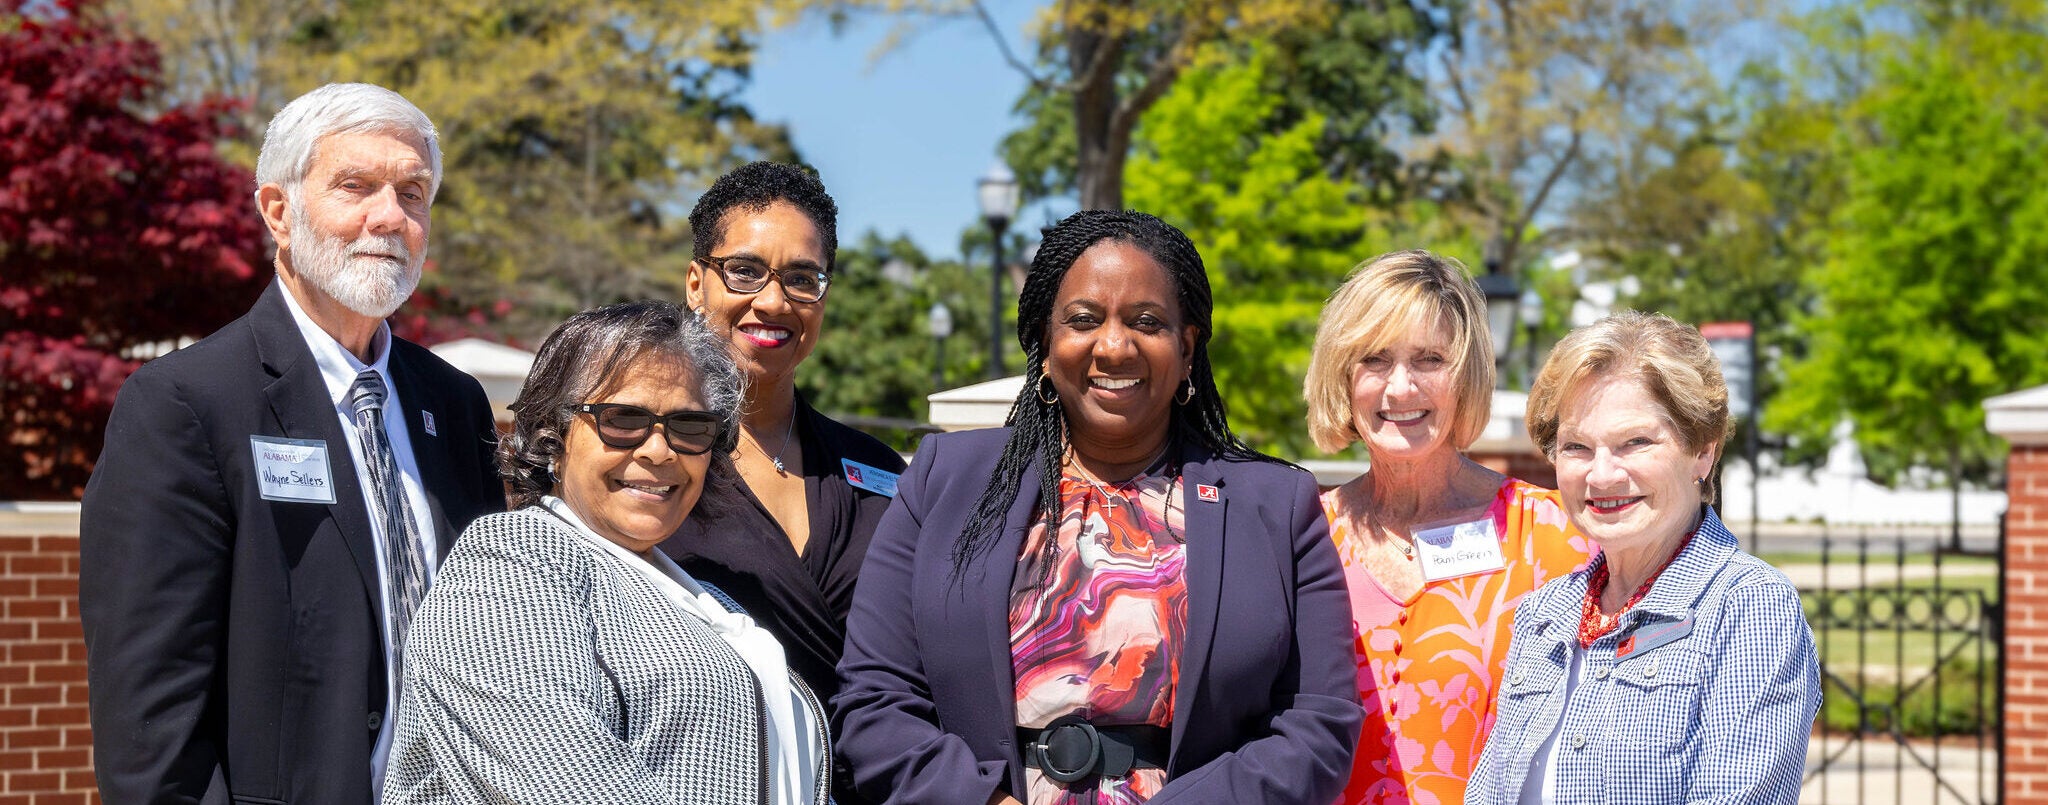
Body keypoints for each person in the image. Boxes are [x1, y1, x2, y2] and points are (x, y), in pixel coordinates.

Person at [834, 209, 1361, 805]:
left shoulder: (1276, 505)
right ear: (1044, 339)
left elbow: (1319, 725)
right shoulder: (944, 480)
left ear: (1187, 348)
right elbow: (875, 701)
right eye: (1084, 319)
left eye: (1147, 322)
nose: (1114, 346)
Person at [78, 83, 505, 804]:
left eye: (413, 192)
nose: (389, 217)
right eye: (355, 186)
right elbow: (149, 723)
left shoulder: (456, 406)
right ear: (279, 210)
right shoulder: (187, 404)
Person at [383, 300, 831, 804]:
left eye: (689, 427)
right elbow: (569, 782)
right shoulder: (508, 564)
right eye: (622, 419)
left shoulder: (706, 600)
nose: (658, 451)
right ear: (554, 434)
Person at [1465, 311, 1820, 804]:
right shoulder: (1544, 614)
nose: (1602, 475)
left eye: (1635, 442)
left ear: (1703, 452)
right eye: (1577, 447)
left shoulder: (1748, 608)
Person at [1300, 251, 1588, 804]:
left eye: (1430, 359)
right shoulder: (1303, 536)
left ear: (1467, 376)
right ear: (1343, 375)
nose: (1401, 387)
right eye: (1375, 359)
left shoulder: (1555, 535)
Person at [661, 161, 906, 716]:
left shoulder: (878, 471)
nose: (773, 301)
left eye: (802, 278)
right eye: (744, 270)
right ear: (697, 283)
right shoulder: (648, 458)